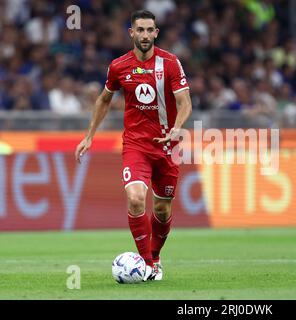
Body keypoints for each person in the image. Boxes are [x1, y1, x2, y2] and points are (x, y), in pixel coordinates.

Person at [74, 10, 192, 281]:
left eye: (150, 30)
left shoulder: (171, 63)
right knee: (136, 197)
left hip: (167, 147)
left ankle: (156, 257)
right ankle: (147, 265)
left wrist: (177, 127)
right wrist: (89, 135)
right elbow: (104, 100)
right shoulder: (118, 66)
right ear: (131, 33)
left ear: (156, 33)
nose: (145, 35)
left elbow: (185, 101)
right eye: (140, 30)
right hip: (136, 146)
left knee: (162, 209)